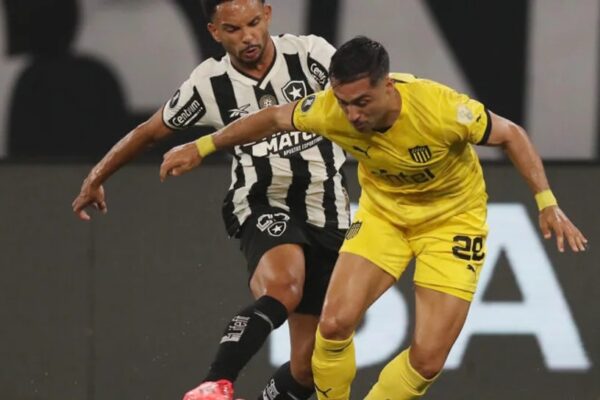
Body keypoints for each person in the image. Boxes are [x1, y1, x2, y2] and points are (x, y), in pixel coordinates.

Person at [159, 36, 589, 400]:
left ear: (388, 85)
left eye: (362, 102)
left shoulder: (442, 109)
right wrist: (203, 146)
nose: (353, 115)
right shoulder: (329, 110)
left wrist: (546, 201)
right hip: (384, 217)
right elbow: (272, 118)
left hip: (452, 224)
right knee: (333, 325)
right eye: (344, 103)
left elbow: (511, 134)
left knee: (427, 360)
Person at [72, 1, 351, 399]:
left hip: (329, 211)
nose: (248, 37)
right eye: (233, 29)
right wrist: (96, 177)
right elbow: (149, 132)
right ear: (214, 32)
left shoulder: (311, 55)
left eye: (253, 23)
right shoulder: (209, 83)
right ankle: (214, 383)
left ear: (268, 14)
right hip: (262, 201)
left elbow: (363, 93)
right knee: (284, 286)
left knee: (307, 368)